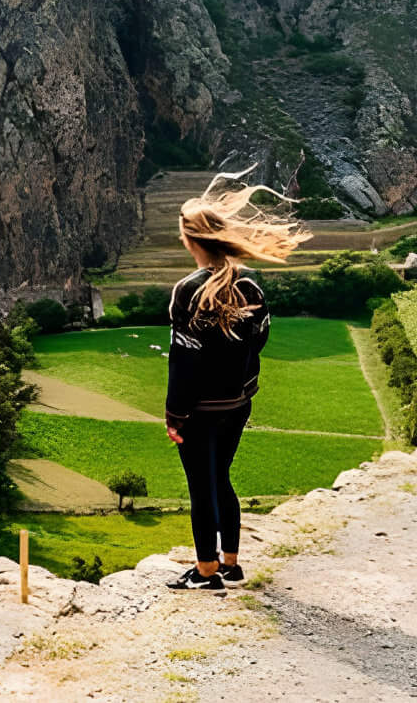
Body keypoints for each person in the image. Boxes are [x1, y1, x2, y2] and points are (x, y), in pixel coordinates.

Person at [162, 175, 309, 591]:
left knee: (200, 487)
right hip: (239, 403)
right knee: (222, 477)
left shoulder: (188, 292)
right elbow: (260, 339)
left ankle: (206, 571)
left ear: (191, 242)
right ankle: (231, 561)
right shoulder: (251, 285)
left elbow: (183, 360)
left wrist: (176, 414)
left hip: (201, 410)